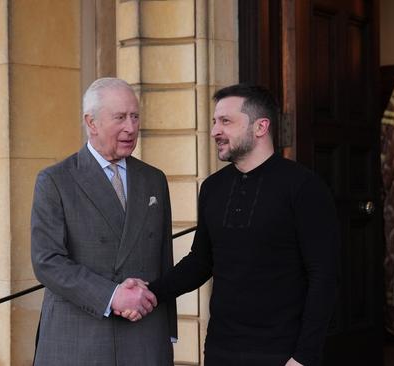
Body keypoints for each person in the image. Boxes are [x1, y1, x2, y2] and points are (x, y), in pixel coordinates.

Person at [129, 84, 339, 366]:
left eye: (226, 121)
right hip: (220, 348)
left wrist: (304, 355)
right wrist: (151, 293)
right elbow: (201, 262)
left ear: (260, 126)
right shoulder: (213, 188)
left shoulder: (303, 186)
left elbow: (324, 276)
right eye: (215, 121)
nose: (215, 130)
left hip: (282, 351)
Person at [30, 77, 177, 366]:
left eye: (135, 116)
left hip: (145, 337)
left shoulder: (153, 179)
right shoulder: (55, 180)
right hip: (79, 338)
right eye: (120, 117)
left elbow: (163, 259)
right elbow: (47, 261)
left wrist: (167, 332)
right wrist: (112, 296)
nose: (131, 128)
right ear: (92, 122)